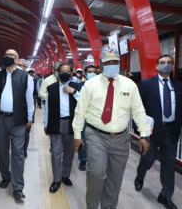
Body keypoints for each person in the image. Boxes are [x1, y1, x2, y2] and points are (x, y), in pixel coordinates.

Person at [72, 48, 150, 209]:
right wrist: (77, 134)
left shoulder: (129, 85)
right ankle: (92, 206)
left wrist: (144, 135)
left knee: (115, 177)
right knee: (96, 173)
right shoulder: (90, 84)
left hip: (121, 138)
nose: (112, 65)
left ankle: (108, 206)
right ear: (100, 65)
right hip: (95, 135)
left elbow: (138, 110)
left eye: (115, 62)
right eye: (108, 62)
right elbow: (80, 110)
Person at [0, 49, 34, 203]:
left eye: (11, 55)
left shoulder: (25, 77)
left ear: (17, 60)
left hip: (18, 120)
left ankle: (18, 187)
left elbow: (29, 99)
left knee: (18, 153)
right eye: (6, 55)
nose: (7, 57)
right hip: (1, 119)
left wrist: (30, 117)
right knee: (2, 151)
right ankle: (5, 176)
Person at [135, 55, 182, 209]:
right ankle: (140, 175)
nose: (166, 65)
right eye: (162, 63)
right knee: (148, 159)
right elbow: (139, 109)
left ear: (173, 65)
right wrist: (141, 133)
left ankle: (165, 195)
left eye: (169, 63)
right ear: (156, 66)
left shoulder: (179, 86)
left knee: (169, 165)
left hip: (171, 131)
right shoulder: (147, 84)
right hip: (151, 131)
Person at [44, 63, 81, 193]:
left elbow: (85, 103)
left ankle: (65, 175)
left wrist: (74, 92)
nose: (64, 73)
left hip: (71, 124)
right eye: (61, 71)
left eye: (67, 71)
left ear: (71, 73)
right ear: (57, 73)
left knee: (69, 152)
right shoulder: (52, 88)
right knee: (56, 152)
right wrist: (45, 124)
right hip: (55, 123)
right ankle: (57, 179)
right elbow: (47, 107)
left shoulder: (77, 87)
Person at [77, 65, 97, 171]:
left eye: (94, 71)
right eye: (89, 71)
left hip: (97, 116)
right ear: (85, 74)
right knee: (83, 139)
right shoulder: (80, 86)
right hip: (84, 116)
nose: (92, 73)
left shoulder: (102, 86)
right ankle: (83, 160)